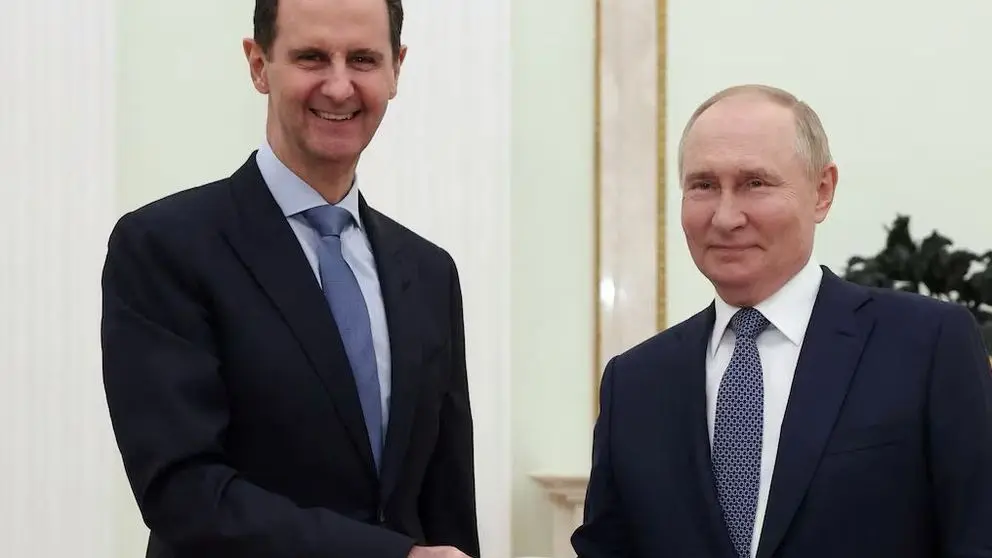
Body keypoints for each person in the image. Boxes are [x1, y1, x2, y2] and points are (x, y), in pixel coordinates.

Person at [100, 0, 479, 556]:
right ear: (259, 65)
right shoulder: (165, 248)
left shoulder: (428, 272)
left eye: (364, 59)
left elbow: (446, 504)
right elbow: (182, 492)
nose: (340, 87)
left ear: (396, 69)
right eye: (311, 58)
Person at [571, 84, 992, 558]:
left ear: (822, 191)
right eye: (704, 185)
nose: (726, 217)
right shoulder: (634, 382)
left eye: (755, 183)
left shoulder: (927, 346)